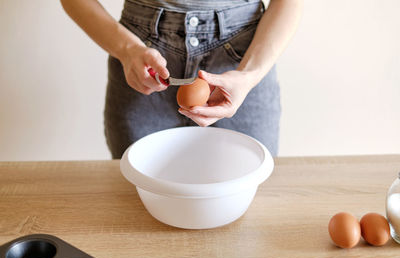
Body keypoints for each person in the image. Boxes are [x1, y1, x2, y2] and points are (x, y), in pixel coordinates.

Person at [60, 0, 303, 158]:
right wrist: (127, 50)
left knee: (248, 193)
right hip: (142, 56)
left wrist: (248, 76)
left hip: (244, 56)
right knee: (138, 201)